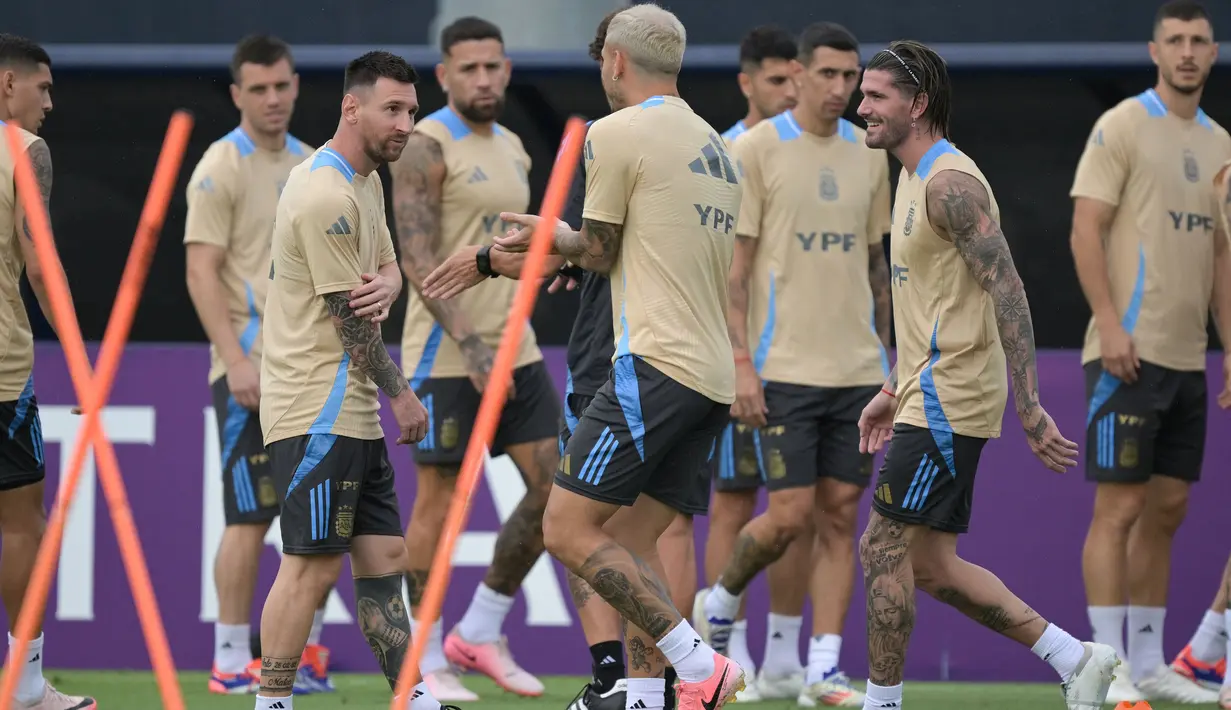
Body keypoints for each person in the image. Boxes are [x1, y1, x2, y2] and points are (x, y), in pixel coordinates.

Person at [492, 5, 746, 710]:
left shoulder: (614, 131)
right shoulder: (716, 145)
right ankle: (640, 698)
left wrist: (553, 235)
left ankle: (700, 665)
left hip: (653, 365)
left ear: (614, 62)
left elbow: (597, 252)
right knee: (631, 547)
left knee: (566, 529)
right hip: (710, 377)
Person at [853, 40, 1117, 710]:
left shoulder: (949, 184)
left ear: (917, 104)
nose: (861, 108)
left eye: (876, 97)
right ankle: (1075, 658)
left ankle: (881, 704)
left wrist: (1029, 408)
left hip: (950, 397)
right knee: (931, 568)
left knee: (881, 549)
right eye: (862, 95)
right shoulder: (907, 176)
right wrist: (891, 387)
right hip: (921, 391)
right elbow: (933, 301)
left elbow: (1008, 291)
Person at [696, 22, 890, 709]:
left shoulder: (872, 155)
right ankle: (716, 604)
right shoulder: (753, 150)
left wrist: (888, 361)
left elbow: (875, 267)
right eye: (828, 75)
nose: (841, 89)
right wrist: (742, 364)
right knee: (786, 515)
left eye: (851, 76)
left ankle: (823, 671)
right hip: (780, 369)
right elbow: (734, 271)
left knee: (839, 519)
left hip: (857, 370)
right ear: (798, 75)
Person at [252, 51, 440, 710]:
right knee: (308, 565)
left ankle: (411, 698)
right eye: (392, 109)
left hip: (348, 408)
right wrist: (403, 395)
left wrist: (386, 283)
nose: (405, 124)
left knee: (385, 557)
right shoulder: (324, 193)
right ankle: (271, 702)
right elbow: (350, 325)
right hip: (314, 404)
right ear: (350, 107)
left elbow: (387, 272)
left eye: (411, 111)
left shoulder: (365, 182)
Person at [389, 16, 560, 701]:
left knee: (559, 492)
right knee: (436, 503)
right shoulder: (425, 144)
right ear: (444, 75)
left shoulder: (515, 146)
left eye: (492, 66)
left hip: (516, 351)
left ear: (507, 69)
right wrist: (470, 341)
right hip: (448, 355)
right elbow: (418, 258)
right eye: (469, 69)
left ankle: (480, 628)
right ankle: (425, 656)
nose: (483, 79)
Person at [1069, 0, 1231, 703]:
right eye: (1175, 40)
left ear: (1213, 52)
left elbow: (1222, 255)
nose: (1188, 51)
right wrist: (1108, 322)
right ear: (1154, 50)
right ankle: (1105, 671)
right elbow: (1084, 228)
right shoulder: (1122, 125)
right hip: (1123, 353)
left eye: (1199, 40)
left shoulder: (1221, 142)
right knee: (1119, 511)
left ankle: (1149, 666)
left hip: (1188, 358)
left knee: (1167, 509)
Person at [183, 34, 339, 696]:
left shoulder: (314, 164)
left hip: (310, 371)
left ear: (295, 85)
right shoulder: (221, 165)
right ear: (236, 94)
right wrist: (234, 358)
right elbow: (200, 269)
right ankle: (227, 660)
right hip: (250, 371)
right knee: (249, 516)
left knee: (320, 518)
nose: (273, 99)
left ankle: (296, 657)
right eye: (258, 89)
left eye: (282, 86)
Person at [701, 26, 809, 702]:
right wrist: (738, 358)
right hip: (739, 361)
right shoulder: (721, 152)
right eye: (775, 81)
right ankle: (726, 646)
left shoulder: (825, 148)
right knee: (735, 501)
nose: (789, 92)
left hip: (812, 365)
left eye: (794, 79)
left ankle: (784, 659)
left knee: (799, 510)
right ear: (746, 83)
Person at [0, 33, 97, 710]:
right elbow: (42, 266)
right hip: (2, 376)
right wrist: (83, 360)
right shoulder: (22, 151)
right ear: (8, 86)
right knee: (19, 524)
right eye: (44, 88)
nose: (50, 104)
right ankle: (25, 684)